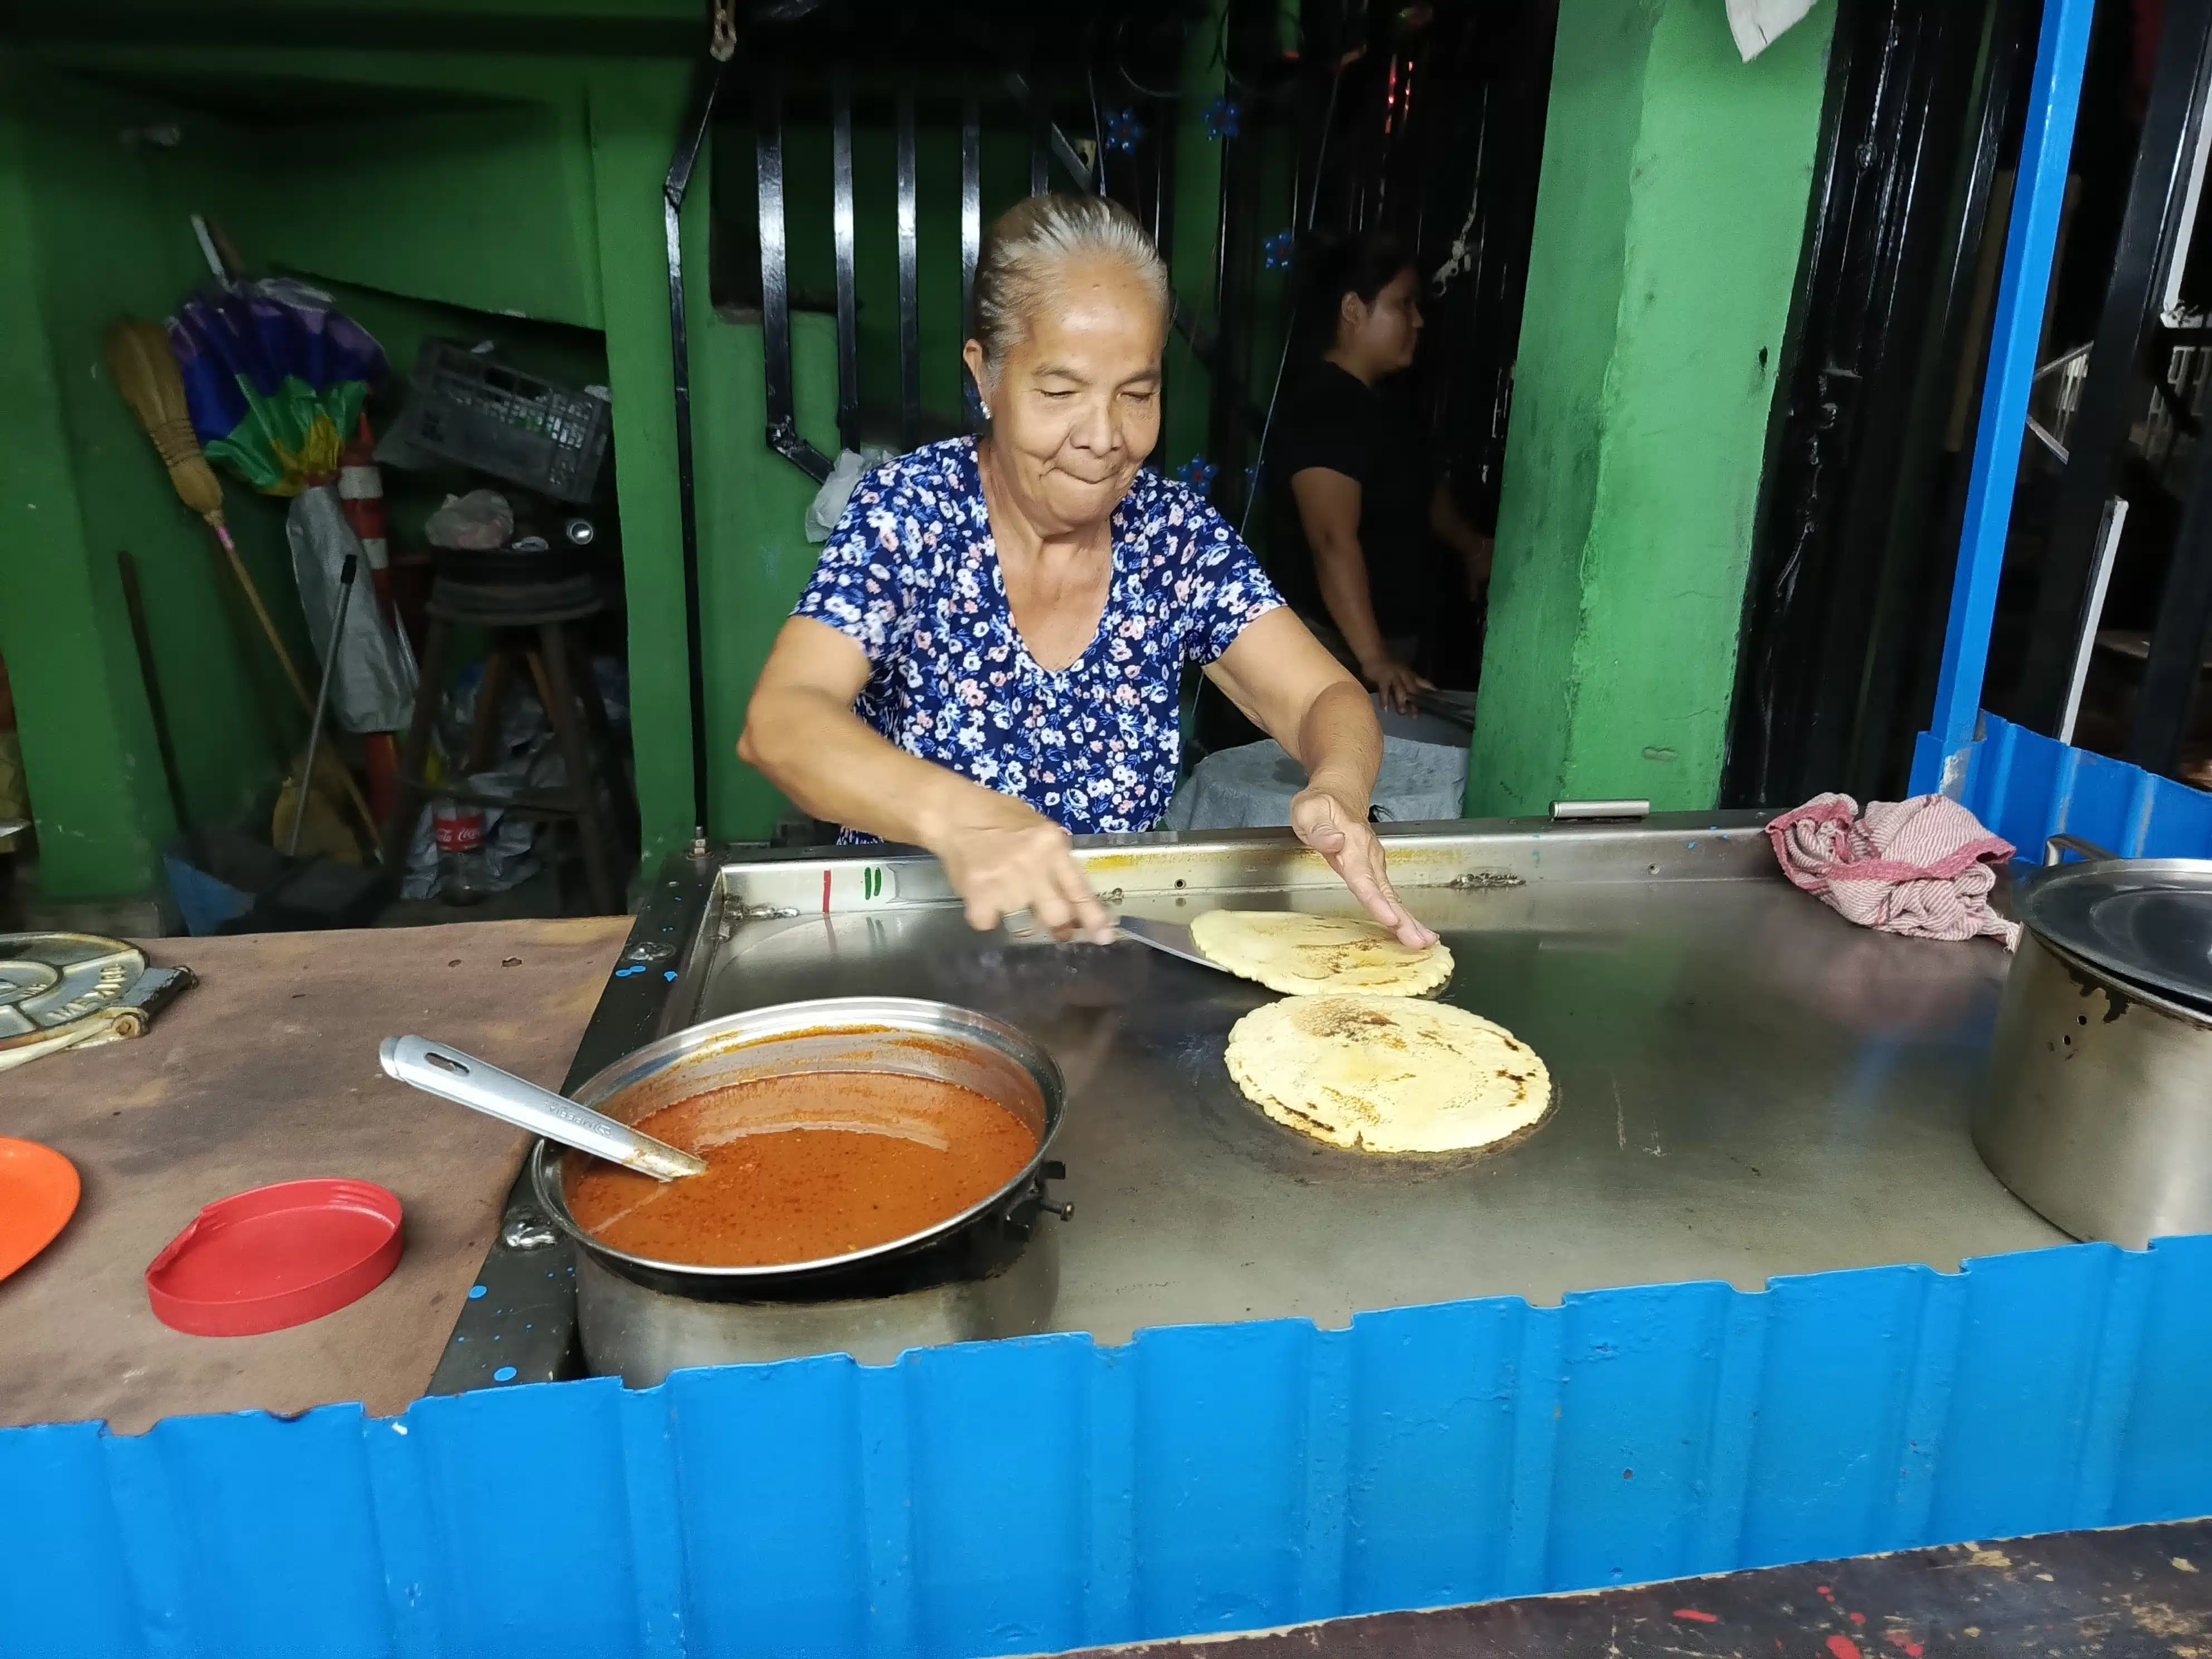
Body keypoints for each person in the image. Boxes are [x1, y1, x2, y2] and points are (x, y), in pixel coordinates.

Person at [739, 193, 1436, 950]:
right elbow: (782, 722)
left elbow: (1324, 696)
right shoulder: (914, 514)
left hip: (1105, 966)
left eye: (1138, 394)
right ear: (986, 374)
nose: (1105, 439)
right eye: (1061, 393)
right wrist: (962, 818)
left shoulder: (1173, 540)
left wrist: (1339, 785)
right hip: (913, 954)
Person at [1268, 231, 1492, 712]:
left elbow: (1421, 493)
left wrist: (1473, 548)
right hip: (1335, 656)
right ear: (1353, 310)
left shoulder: (1382, 406)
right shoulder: (1326, 409)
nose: (1417, 321)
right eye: (1403, 304)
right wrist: (1374, 660)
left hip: (1388, 654)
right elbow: (1332, 539)